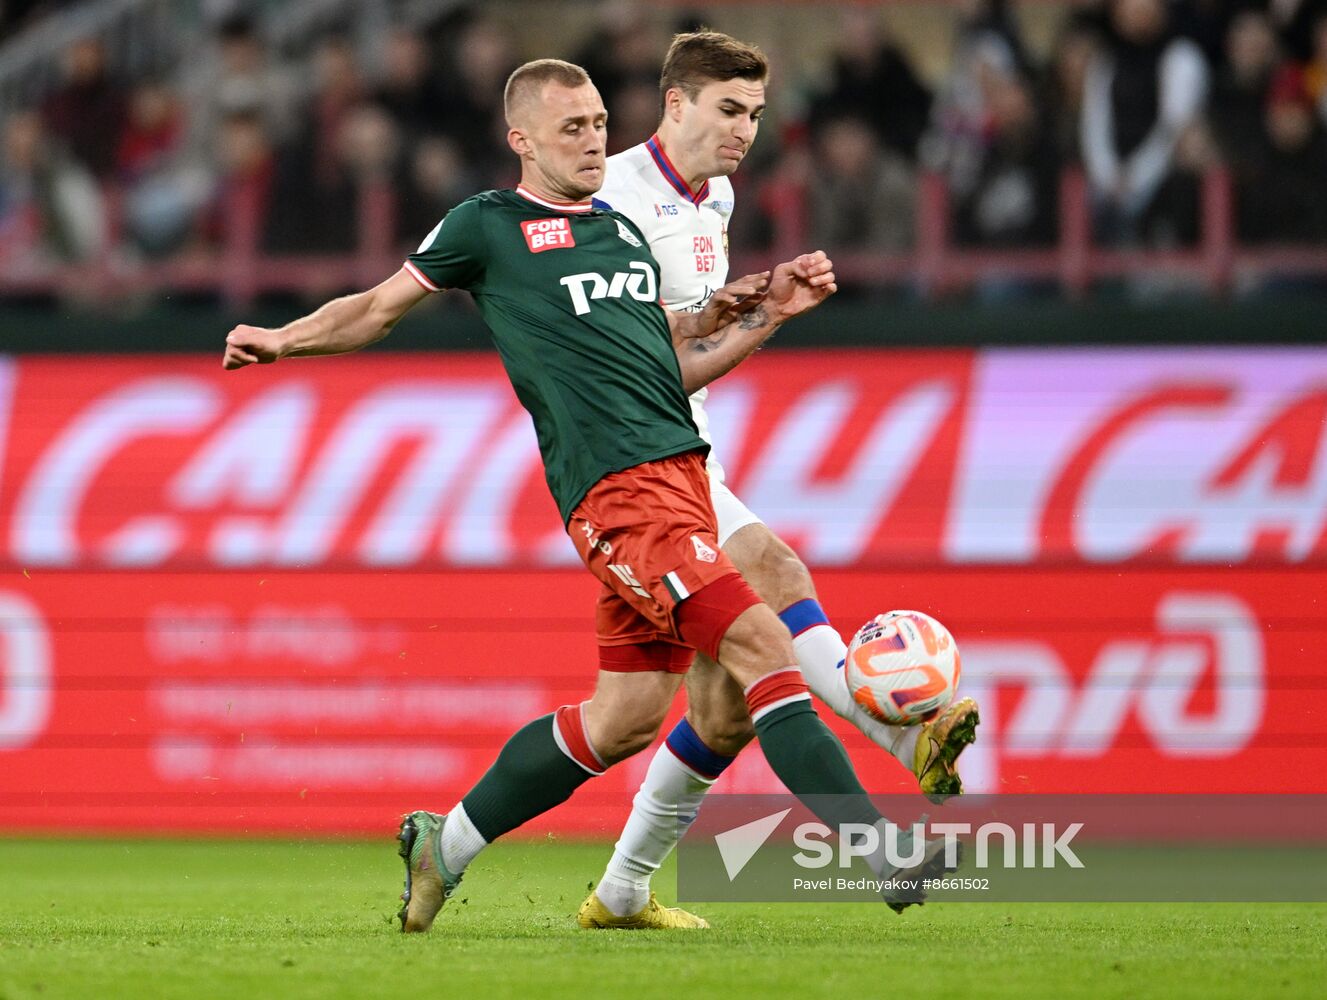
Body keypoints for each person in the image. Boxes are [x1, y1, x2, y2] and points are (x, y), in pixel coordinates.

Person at [222, 59, 953, 935]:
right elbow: (374, 310)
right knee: (764, 643)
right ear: (521, 140)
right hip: (621, 497)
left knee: (623, 722)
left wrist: (765, 317)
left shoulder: (617, 231)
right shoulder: (486, 225)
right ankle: (883, 853)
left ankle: (441, 846)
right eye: (571, 127)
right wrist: (281, 339)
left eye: (601, 121)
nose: (594, 139)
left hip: (680, 479)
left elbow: (670, 365)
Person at [578, 31, 978, 931]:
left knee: (721, 712)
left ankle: (618, 893)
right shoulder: (605, 194)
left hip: (696, 450)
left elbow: (685, 336)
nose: (745, 131)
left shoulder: (713, 198)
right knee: (782, 575)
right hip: (636, 459)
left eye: (755, 114)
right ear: (674, 103)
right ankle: (904, 740)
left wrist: (759, 304)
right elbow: (622, 349)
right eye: (728, 110)